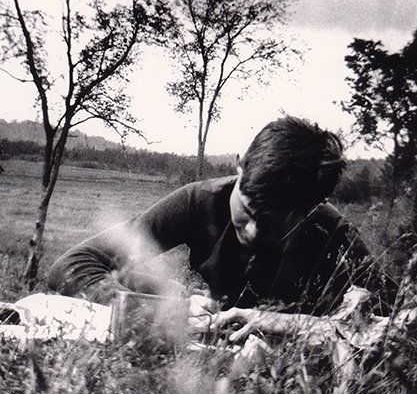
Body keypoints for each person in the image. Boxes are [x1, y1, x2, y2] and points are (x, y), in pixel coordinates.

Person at [48, 116, 397, 336]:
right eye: (247, 211)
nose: (254, 233)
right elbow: (72, 265)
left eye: (275, 224)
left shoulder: (330, 231)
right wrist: (169, 307)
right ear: (239, 167)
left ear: (309, 209)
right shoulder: (198, 200)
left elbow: (400, 321)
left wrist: (281, 323)